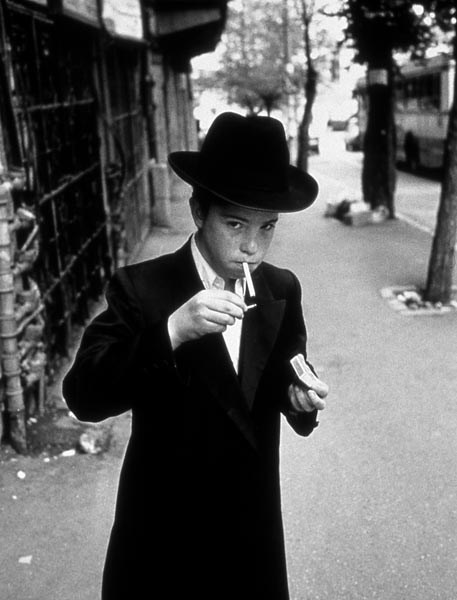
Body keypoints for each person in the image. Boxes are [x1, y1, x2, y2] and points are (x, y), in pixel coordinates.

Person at [62, 112, 329, 600]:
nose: (251, 246)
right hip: (163, 535)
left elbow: (281, 380)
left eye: (267, 227)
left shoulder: (281, 287)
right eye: (235, 223)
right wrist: (171, 332)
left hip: (251, 534)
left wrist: (300, 398)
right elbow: (84, 395)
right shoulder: (142, 287)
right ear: (198, 210)